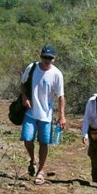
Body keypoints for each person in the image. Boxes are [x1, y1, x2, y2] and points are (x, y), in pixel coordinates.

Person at [20, 45, 66, 185]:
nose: (47, 60)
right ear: (41, 56)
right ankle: (33, 160)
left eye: (50, 58)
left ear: (54, 59)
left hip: (46, 114)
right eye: (45, 57)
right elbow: (22, 83)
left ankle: (41, 171)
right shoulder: (32, 68)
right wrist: (24, 97)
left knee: (44, 143)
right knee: (27, 138)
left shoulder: (57, 74)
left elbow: (60, 96)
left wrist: (61, 115)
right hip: (30, 111)